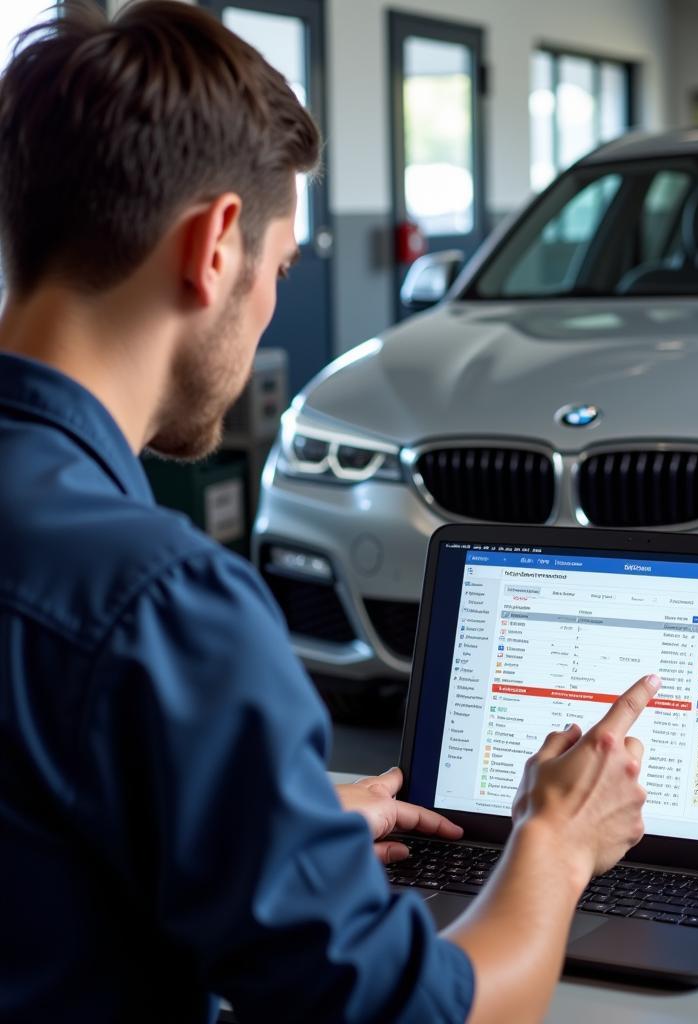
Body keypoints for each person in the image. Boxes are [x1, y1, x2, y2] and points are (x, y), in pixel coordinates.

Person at [0, 4, 655, 1022]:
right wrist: (556, 845)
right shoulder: (163, 603)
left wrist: (274, 826)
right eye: (281, 268)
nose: (268, 302)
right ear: (216, 245)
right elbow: (416, 1012)